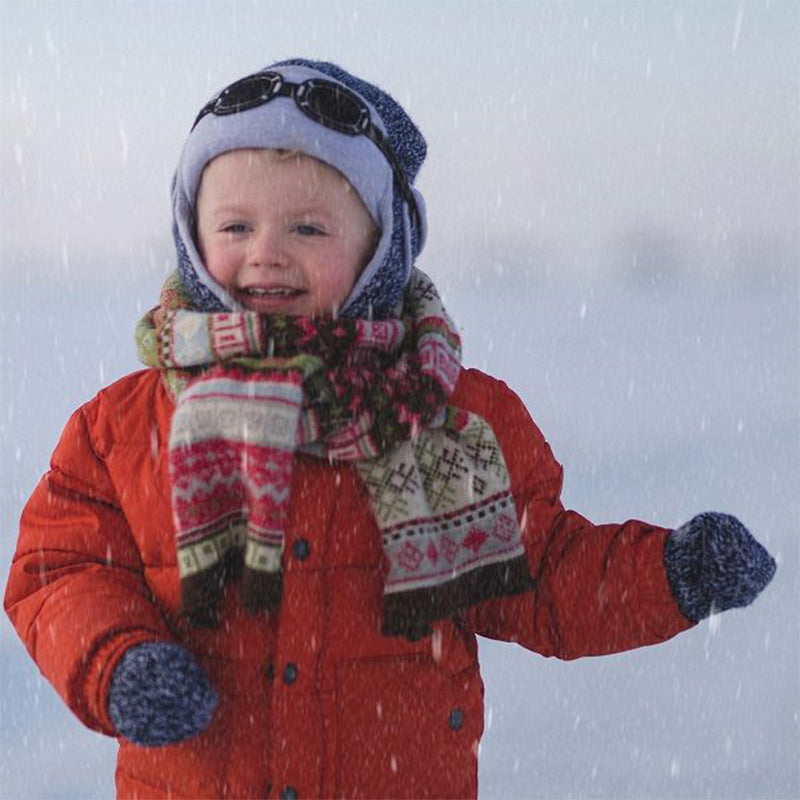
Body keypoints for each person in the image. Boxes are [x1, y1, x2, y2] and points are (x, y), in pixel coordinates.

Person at [4, 59, 776, 800]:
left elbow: (541, 574)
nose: (265, 253)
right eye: (235, 224)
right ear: (192, 236)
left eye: (308, 228)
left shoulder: (442, 416)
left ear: (381, 252)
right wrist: (118, 660)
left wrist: (672, 575)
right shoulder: (127, 426)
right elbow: (59, 569)